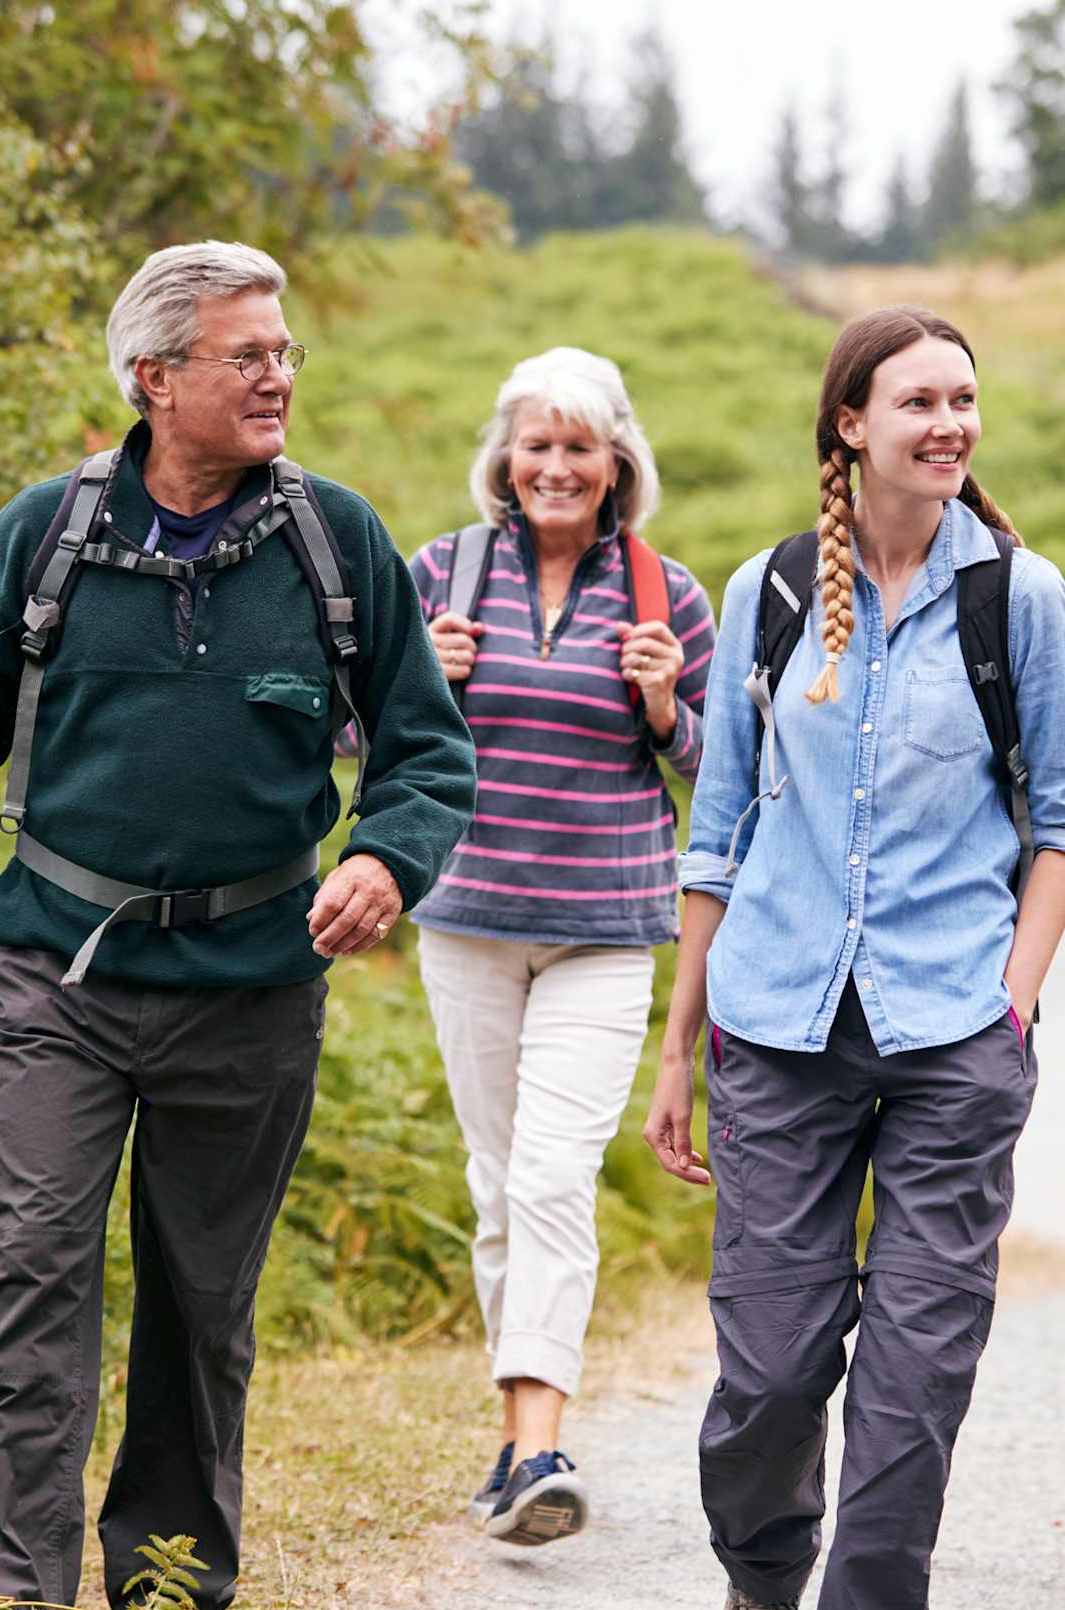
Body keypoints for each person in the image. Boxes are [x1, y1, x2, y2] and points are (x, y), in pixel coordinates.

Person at [0, 241, 474, 1610]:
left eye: (285, 352)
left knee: (203, 1299)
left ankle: (166, 1606)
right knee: (35, 1264)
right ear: (156, 378)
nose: (277, 375)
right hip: (56, 977)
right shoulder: (42, 536)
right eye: (246, 354)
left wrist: (388, 853)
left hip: (256, 982)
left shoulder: (336, 541)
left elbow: (427, 744)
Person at [647, 306, 1065, 1610]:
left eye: (966, 399)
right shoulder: (774, 592)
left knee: (912, 1383)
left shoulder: (1014, 594)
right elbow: (717, 824)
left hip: (953, 1036)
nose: (951, 424)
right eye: (921, 402)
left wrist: (1012, 1006)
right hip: (776, 1033)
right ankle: (764, 1582)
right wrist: (680, 1045)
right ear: (853, 423)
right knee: (772, 1369)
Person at [403, 347, 714, 1548]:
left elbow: (719, 773)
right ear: (505, 457)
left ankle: (539, 1448)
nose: (556, 466)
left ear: (617, 463)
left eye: (579, 447)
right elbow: (347, 735)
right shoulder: (443, 573)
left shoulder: (663, 591)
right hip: (468, 922)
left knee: (547, 1179)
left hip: (603, 929)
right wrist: (417, 685)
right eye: (537, 444)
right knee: (497, 1189)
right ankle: (514, 1447)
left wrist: (663, 706)